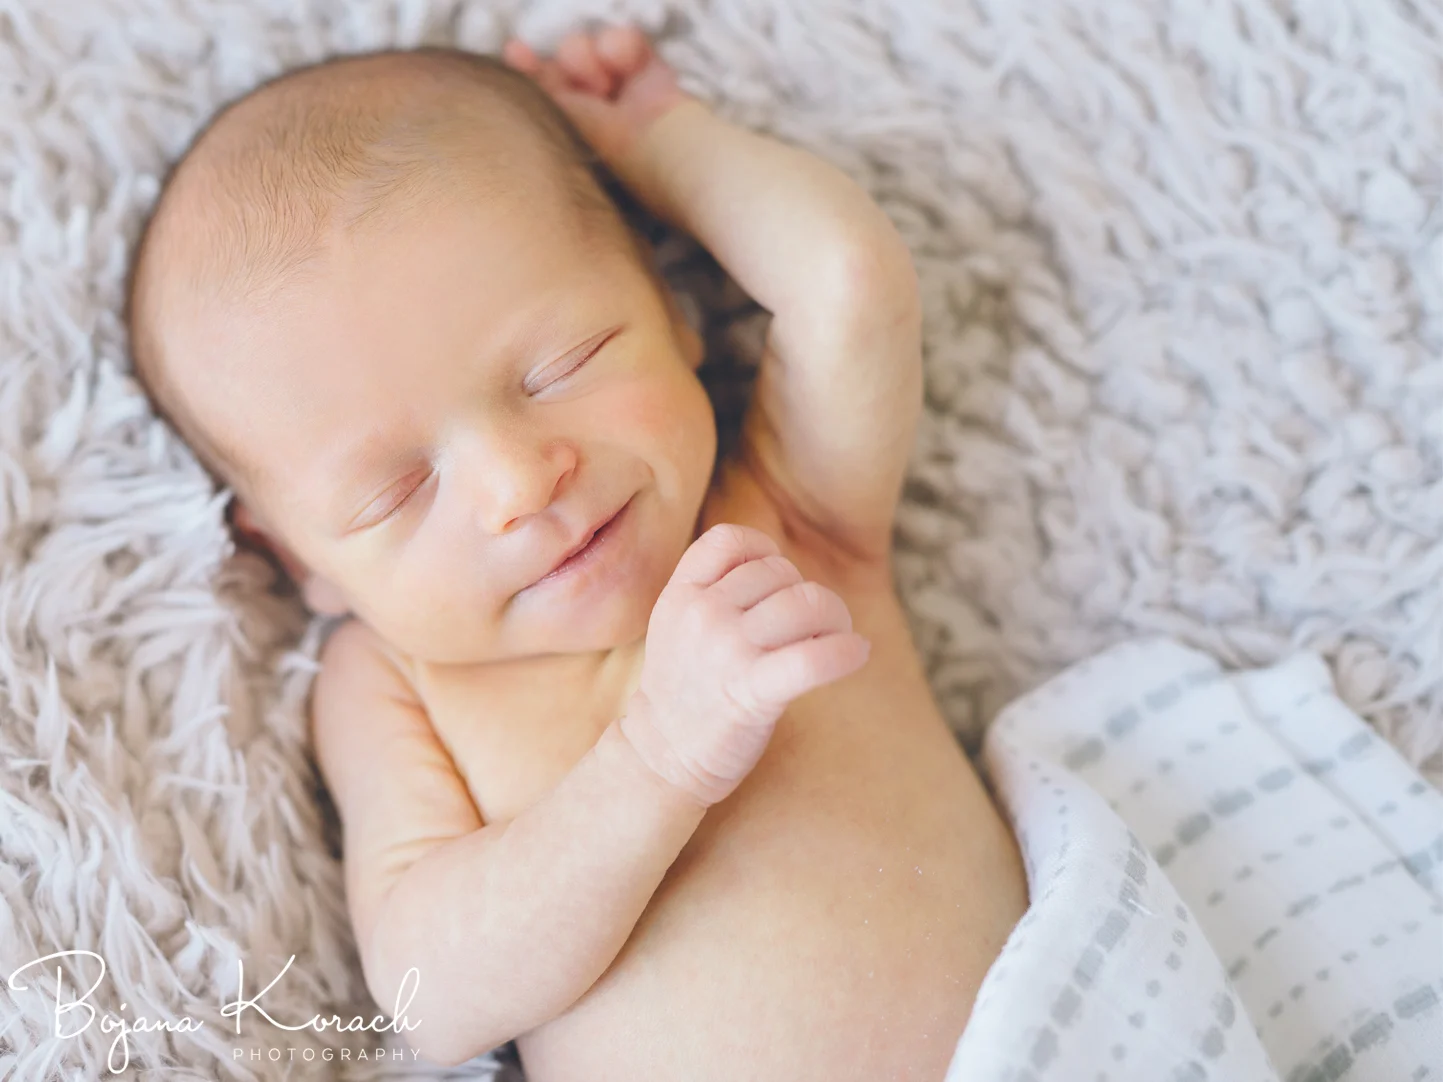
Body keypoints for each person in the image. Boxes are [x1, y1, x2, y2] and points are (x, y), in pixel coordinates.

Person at [124, 24, 1027, 1078]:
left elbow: (850, 282)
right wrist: (657, 758)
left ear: (673, 312)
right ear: (300, 561)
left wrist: (660, 144)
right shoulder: (397, 684)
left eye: (564, 364)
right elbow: (430, 1000)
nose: (519, 484)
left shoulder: (788, 513)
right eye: (396, 492)